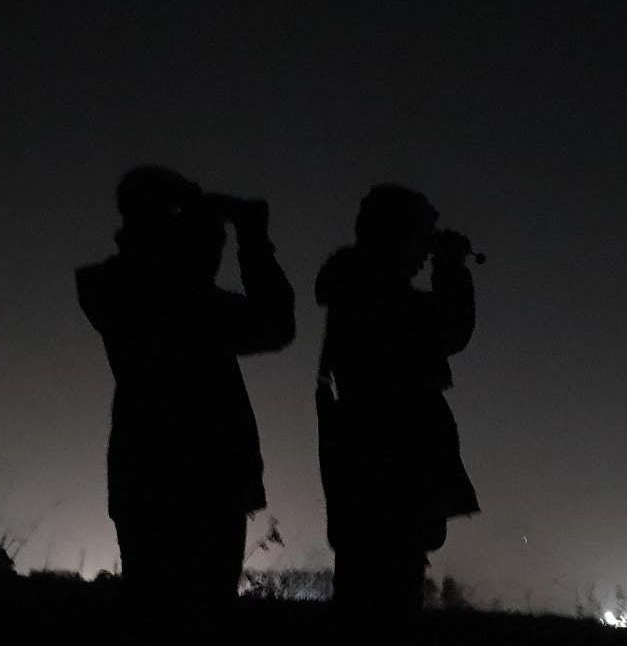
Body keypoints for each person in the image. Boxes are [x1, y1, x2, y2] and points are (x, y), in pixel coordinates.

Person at [75, 165, 295, 610]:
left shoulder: (115, 286)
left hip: (147, 480)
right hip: (204, 485)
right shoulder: (166, 297)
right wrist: (252, 239)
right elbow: (275, 324)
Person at [314, 184, 480, 618]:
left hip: (371, 477)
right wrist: (450, 268)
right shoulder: (377, 298)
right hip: (392, 478)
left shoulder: (354, 290)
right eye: (420, 236)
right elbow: (450, 328)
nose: (425, 250)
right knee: (386, 602)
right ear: (395, 237)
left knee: (370, 591)